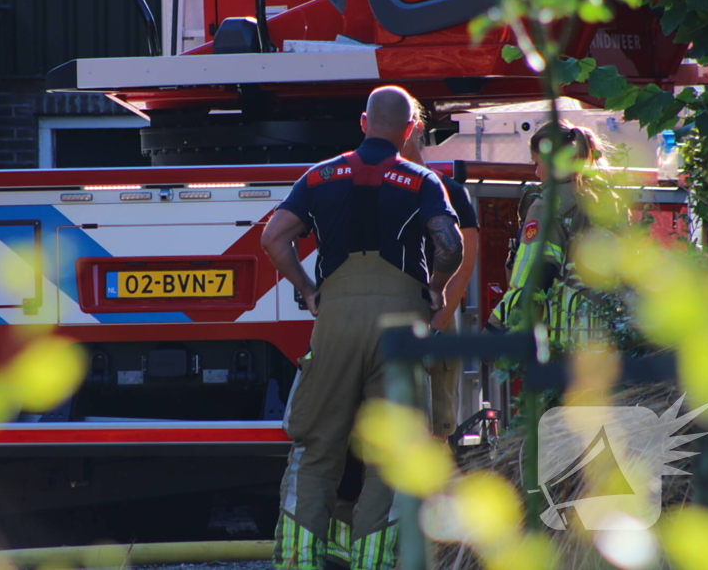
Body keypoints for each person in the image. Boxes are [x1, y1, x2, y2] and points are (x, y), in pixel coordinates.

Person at [261, 85, 463, 570]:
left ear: (363, 122)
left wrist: (309, 289)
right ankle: (374, 561)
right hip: (400, 327)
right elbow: (450, 246)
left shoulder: (319, 175)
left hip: (334, 322)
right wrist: (435, 289)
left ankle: (297, 560)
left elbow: (274, 237)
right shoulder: (421, 180)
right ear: (410, 128)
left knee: (315, 448)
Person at [486, 120, 612, 345]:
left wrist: (496, 327)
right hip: (607, 333)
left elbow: (535, 274)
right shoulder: (605, 199)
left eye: (538, 163)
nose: (536, 172)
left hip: (563, 334)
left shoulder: (547, 205)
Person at [401, 102, 479, 438]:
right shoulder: (378, 186)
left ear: (416, 129)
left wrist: (439, 323)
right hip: (387, 319)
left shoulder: (450, 191)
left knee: (435, 431)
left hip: (432, 318)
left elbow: (465, 260)